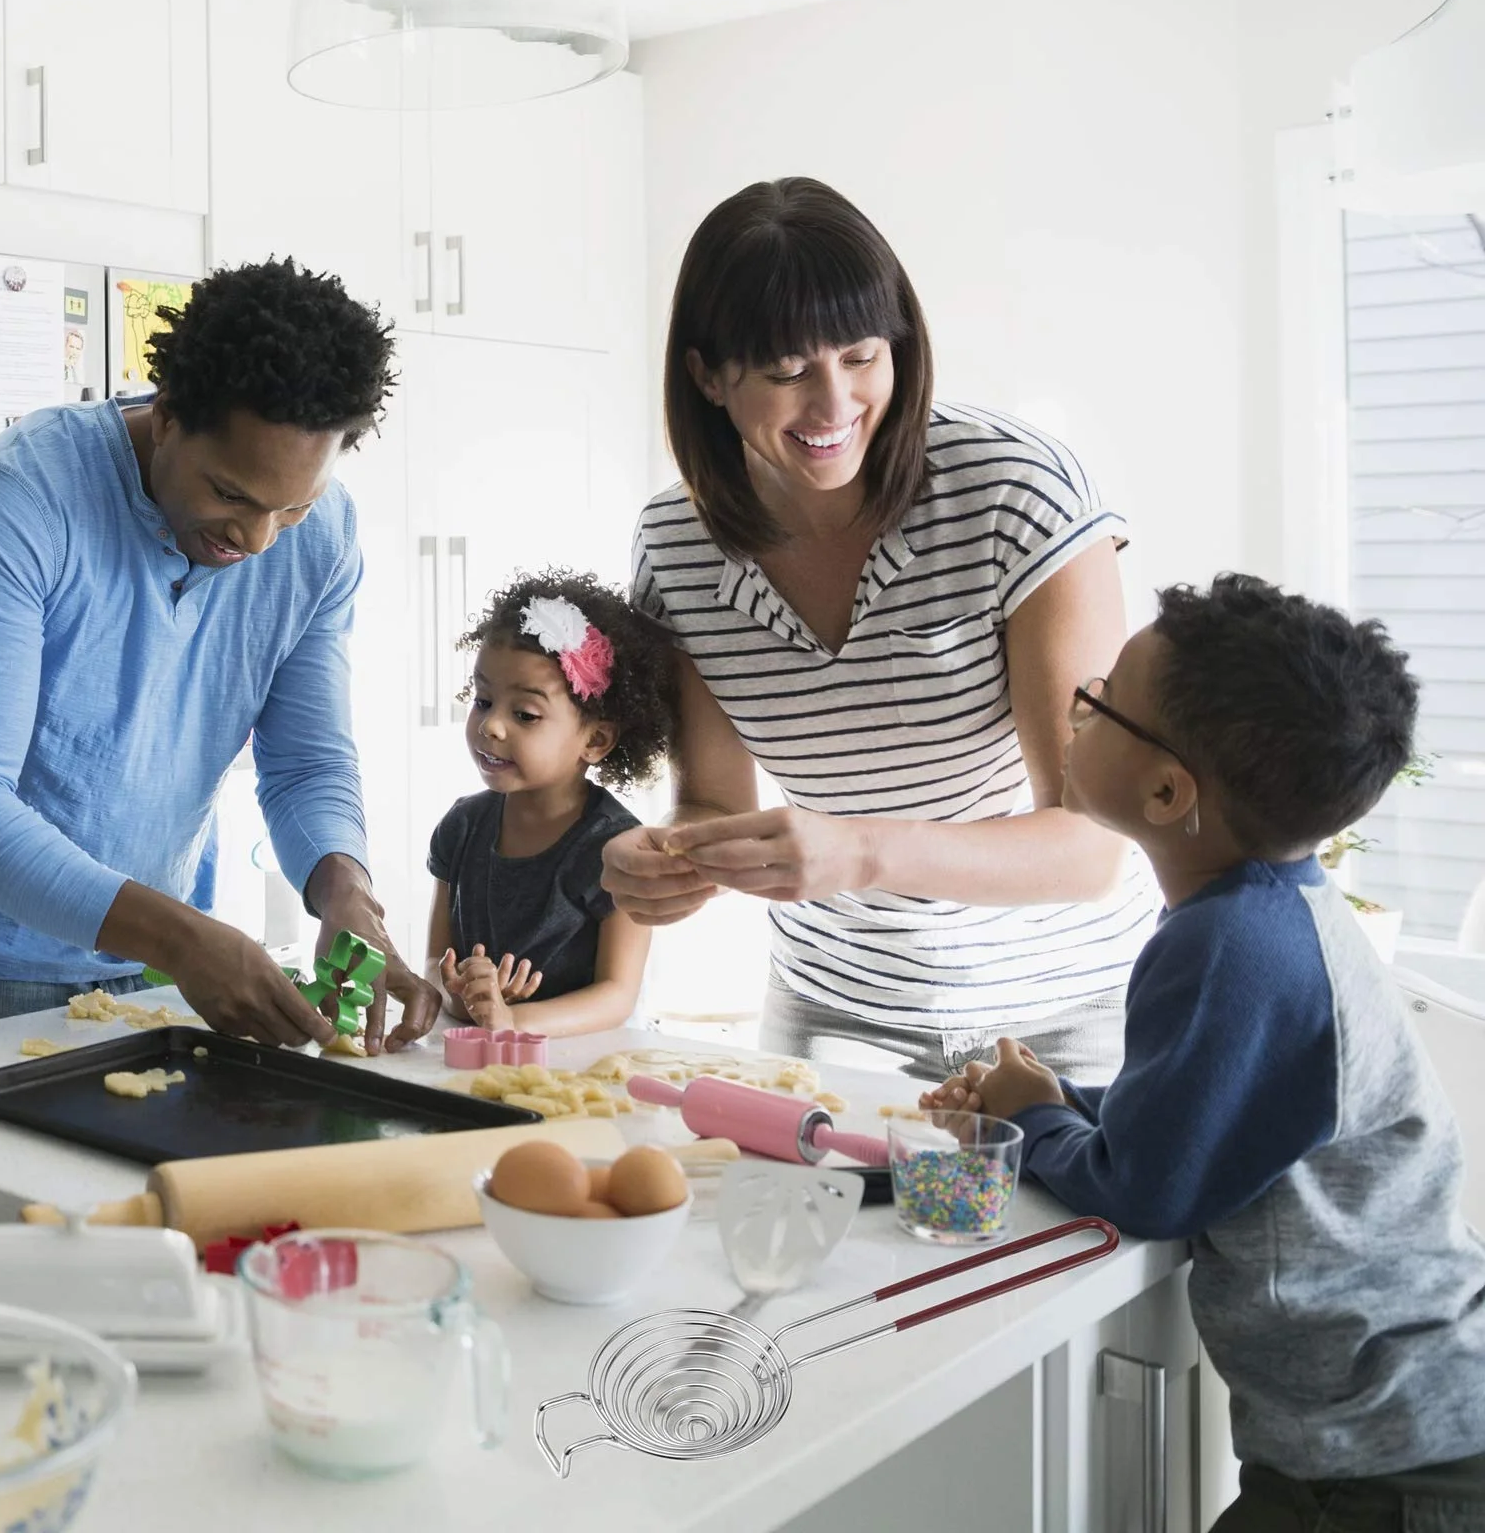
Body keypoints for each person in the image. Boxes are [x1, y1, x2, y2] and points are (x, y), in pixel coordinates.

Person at [923, 575, 1485, 1533]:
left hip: (1383, 1464)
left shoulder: (1225, 945)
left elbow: (1149, 1185)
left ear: (1167, 788)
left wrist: (1035, 1118)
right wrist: (1062, 1096)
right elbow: (1217, 1105)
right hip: (1405, 1429)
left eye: (1095, 701)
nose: (1073, 706)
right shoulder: (1279, 913)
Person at [602, 178, 1157, 1080]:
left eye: (861, 356)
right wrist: (670, 859)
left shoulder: (1017, 495)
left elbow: (1091, 844)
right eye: (786, 372)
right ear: (706, 374)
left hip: (1068, 1011)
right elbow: (714, 801)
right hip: (834, 1011)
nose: (833, 406)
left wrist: (859, 848)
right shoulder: (676, 547)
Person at [0, 257, 438, 1050]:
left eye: (292, 505)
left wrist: (346, 896)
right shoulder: (14, 498)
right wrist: (181, 939)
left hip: (165, 975)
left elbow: (307, 766)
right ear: (171, 413)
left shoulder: (323, 538)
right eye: (230, 495)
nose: (255, 540)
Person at [427, 572, 675, 1036]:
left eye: (525, 714)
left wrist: (512, 1019)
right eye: (483, 700)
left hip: (589, 1067)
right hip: (485, 1058)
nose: (491, 726)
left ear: (596, 739)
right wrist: (466, 996)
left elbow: (616, 996)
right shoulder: (460, 827)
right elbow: (435, 963)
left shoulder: (622, 850)